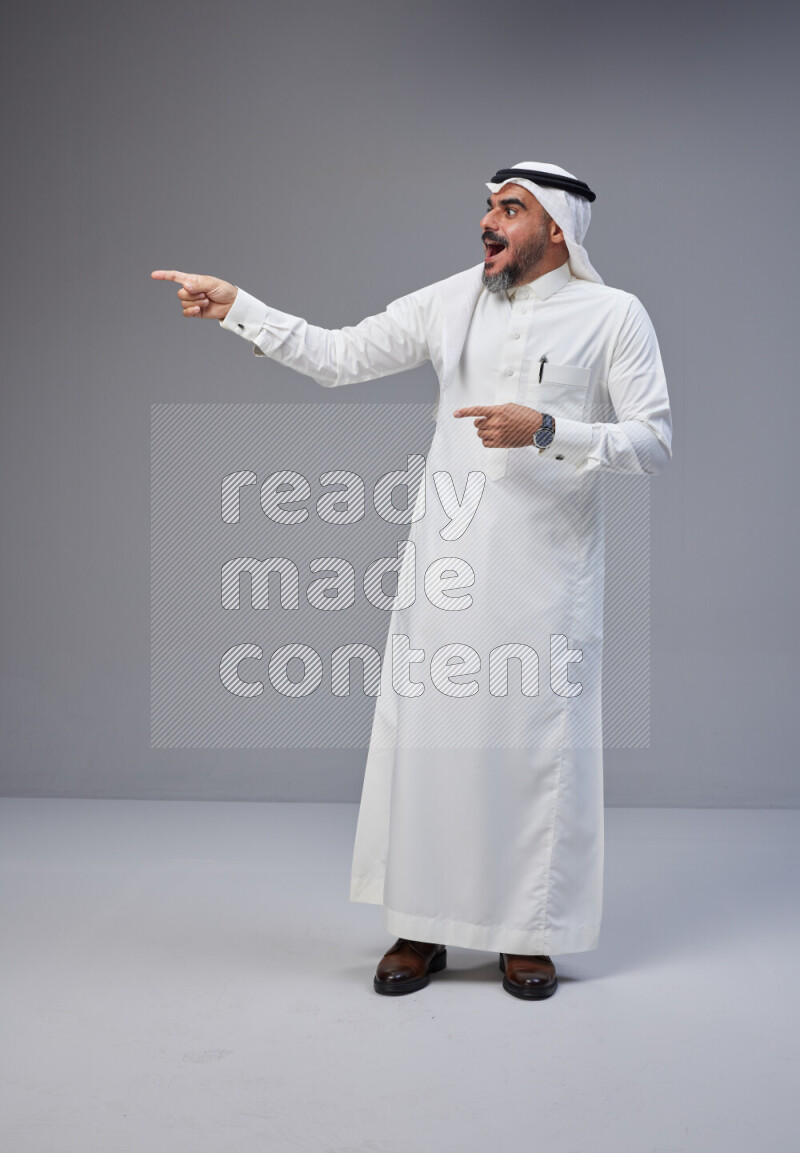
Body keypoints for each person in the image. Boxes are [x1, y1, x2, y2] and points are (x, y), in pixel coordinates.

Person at [151, 161, 672, 1001]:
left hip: (549, 578)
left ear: (558, 229)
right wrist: (237, 308)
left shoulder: (613, 316)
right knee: (433, 747)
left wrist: (549, 429)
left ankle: (526, 933)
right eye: (488, 208)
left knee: (532, 750)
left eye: (510, 209)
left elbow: (652, 441)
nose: (488, 223)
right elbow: (337, 355)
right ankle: (422, 927)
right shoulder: (450, 299)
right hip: (448, 567)